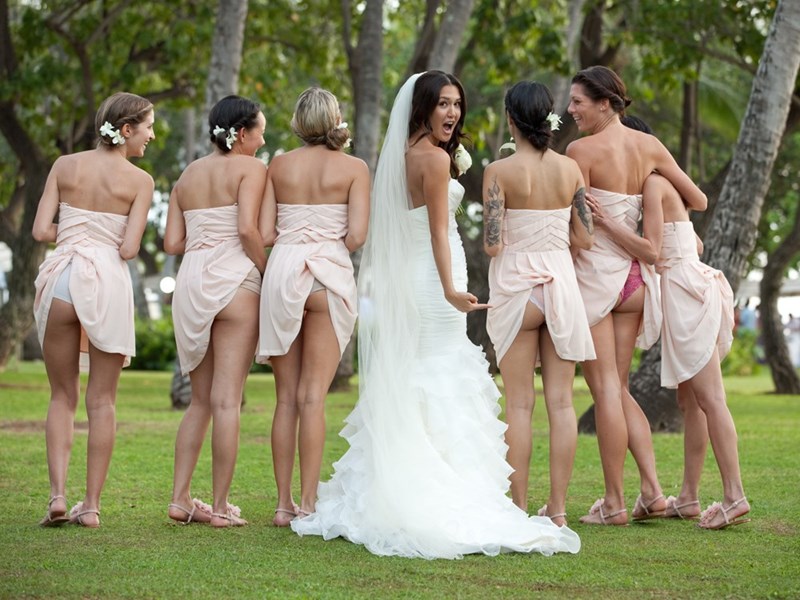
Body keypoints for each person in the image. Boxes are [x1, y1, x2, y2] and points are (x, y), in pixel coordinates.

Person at [290, 71, 580, 558]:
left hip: (416, 273)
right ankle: (440, 485)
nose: (453, 113)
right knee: (439, 369)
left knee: (421, 371)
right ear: (422, 108)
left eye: (456, 104)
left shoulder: (407, 155)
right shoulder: (432, 159)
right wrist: (449, 289)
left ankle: (411, 478)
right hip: (431, 278)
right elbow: (437, 231)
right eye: (443, 103)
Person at [566, 66, 708, 525]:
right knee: (619, 389)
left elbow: (581, 235)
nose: (570, 110)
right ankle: (651, 489)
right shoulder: (648, 146)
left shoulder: (579, 151)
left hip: (595, 280)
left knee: (606, 390)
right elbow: (698, 200)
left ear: (605, 103)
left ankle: (614, 503)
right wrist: (652, 194)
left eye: (578, 102)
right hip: (634, 282)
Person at [32, 92, 156, 527]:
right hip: (105, 280)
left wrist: (76, 231)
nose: (151, 136)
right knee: (101, 401)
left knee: (61, 395)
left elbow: (40, 230)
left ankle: (57, 496)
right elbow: (128, 248)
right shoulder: (140, 182)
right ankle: (91, 506)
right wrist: (102, 235)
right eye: (148, 127)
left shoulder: (65, 165)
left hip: (62, 276)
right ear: (126, 129)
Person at [621, 116, 750, 529]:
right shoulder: (663, 188)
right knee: (690, 402)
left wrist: (606, 224)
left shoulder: (654, 185)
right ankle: (689, 496)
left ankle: (734, 497)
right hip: (687, 290)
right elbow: (694, 242)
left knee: (710, 399)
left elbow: (653, 250)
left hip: (687, 295)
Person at [482, 81, 595, 526]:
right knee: (562, 404)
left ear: (511, 119)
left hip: (517, 288)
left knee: (519, 405)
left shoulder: (499, 170)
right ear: (549, 117)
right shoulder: (570, 169)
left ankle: (517, 509)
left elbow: (493, 245)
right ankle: (559, 510)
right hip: (560, 287)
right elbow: (585, 238)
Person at [257, 88, 369, 526]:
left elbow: (266, 232)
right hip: (328, 274)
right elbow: (356, 235)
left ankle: (282, 504)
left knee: (285, 398)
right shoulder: (354, 168)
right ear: (335, 119)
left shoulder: (279, 165)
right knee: (312, 398)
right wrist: (326, 243)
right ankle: (307, 502)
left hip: (284, 270)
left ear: (298, 122)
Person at [165, 95, 267, 527]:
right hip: (237, 281)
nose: (263, 141)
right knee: (227, 402)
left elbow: (172, 243)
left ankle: (180, 498)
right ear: (242, 133)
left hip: (191, 283)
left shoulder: (187, 175)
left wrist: (205, 240)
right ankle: (221, 507)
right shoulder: (251, 169)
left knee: (200, 401)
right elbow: (246, 229)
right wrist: (267, 270)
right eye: (260, 132)